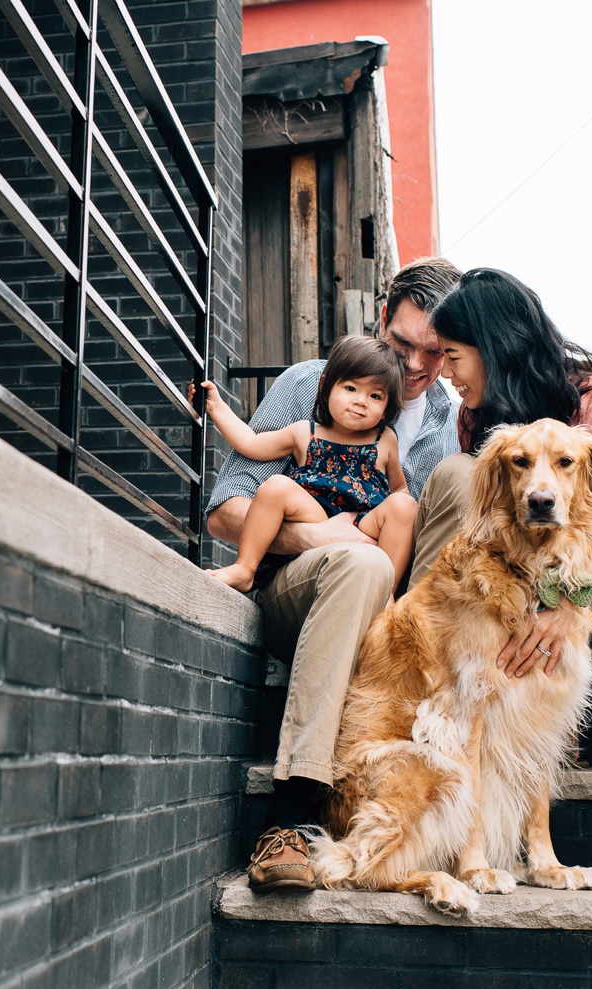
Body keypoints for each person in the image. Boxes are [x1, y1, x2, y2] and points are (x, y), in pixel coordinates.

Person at [204, 257, 463, 891]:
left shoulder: (445, 429)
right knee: (357, 558)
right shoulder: (306, 386)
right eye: (403, 344)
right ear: (381, 320)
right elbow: (224, 509)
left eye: (437, 353)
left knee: (399, 535)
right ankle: (289, 814)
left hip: (378, 621)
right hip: (297, 590)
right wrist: (317, 534)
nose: (414, 367)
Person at [424, 267, 592, 772]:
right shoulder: (478, 423)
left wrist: (566, 607)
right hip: (530, 583)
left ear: (494, 348)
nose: (445, 373)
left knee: (572, 574)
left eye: (453, 356)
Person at [200, 336, 417, 593]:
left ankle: (384, 594)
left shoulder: (385, 439)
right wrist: (216, 407)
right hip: (314, 518)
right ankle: (245, 568)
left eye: (375, 395)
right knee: (276, 486)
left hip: (363, 522)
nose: (361, 401)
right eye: (350, 388)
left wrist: (401, 512)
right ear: (325, 387)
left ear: (386, 407)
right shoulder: (305, 432)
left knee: (405, 505)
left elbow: (399, 489)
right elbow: (250, 442)